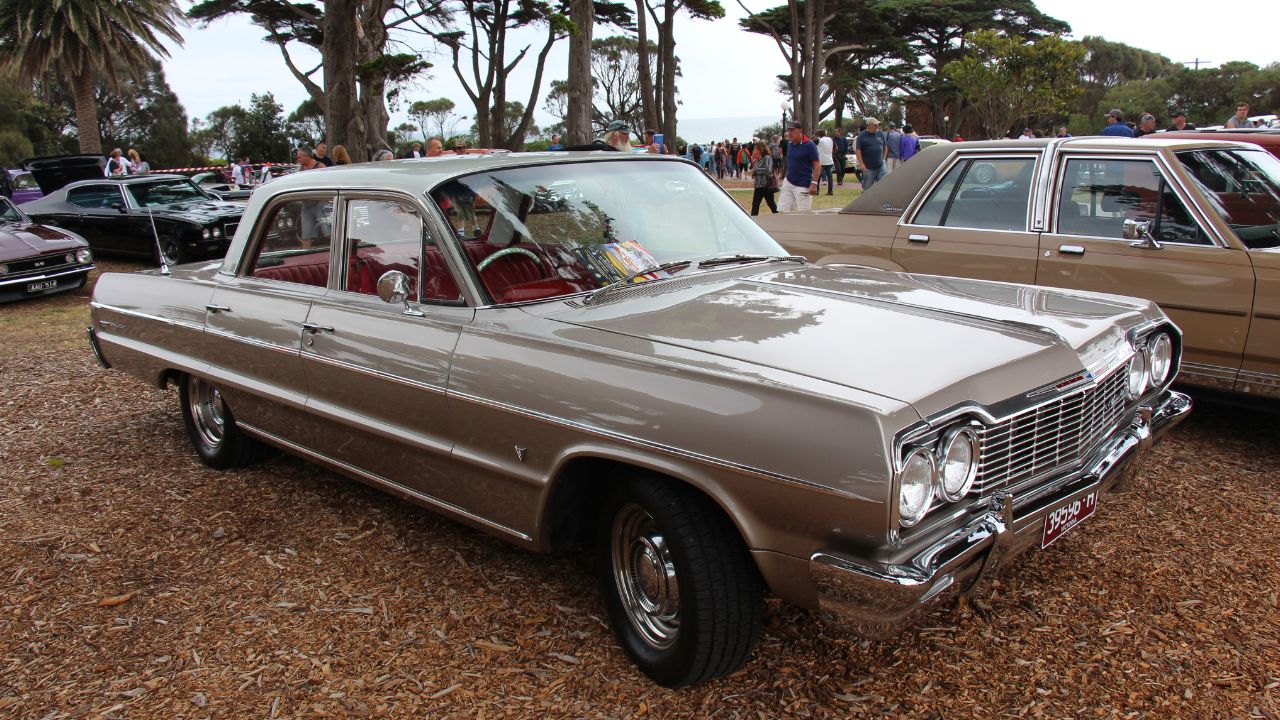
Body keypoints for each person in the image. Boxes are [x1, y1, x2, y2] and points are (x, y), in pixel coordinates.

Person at [778, 121, 819, 213]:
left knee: (803, 213)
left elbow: (817, 165)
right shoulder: (789, 144)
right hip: (788, 182)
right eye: (789, 130)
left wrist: (814, 184)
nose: (790, 133)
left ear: (800, 131)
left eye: (793, 130)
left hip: (803, 184)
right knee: (783, 212)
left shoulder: (809, 145)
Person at [855, 117, 889, 191]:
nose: (877, 126)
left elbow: (885, 147)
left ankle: (881, 197)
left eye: (877, 124)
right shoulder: (861, 136)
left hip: (881, 165)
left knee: (884, 184)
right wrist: (861, 164)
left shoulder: (880, 133)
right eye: (875, 125)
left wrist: (884, 159)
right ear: (869, 125)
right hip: (868, 168)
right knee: (867, 188)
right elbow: (858, 151)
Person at [749, 141, 778, 216]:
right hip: (758, 186)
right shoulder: (758, 159)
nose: (754, 150)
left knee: (771, 204)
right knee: (755, 205)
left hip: (766, 186)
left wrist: (756, 171)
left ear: (760, 149)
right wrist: (754, 172)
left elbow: (768, 170)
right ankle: (753, 220)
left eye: (755, 149)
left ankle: (780, 218)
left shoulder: (767, 157)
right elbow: (755, 170)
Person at [814, 129, 834, 195]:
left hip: (822, 162)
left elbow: (813, 141)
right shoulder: (830, 139)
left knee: (818, 177)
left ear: (819, 135)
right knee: (830, 177)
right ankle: (830, 191)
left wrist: (815, 135)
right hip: (830, 161)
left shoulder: (819, 140)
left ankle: (817, 191)